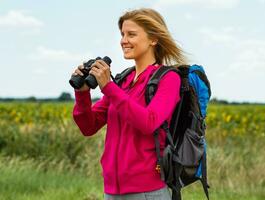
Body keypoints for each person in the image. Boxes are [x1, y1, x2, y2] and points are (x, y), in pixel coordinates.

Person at [72, 8, 187, 200]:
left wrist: (108, 86)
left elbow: (149, 122)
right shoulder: (123, 81)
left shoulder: (168, 78)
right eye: (122, 34)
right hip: (112, 190)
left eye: (131, 34)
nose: (123, 40)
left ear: (153, 39)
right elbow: (88, 126)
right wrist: (82, 93)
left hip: (147, 191)